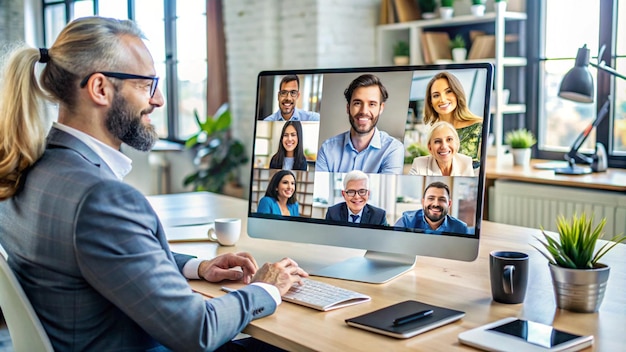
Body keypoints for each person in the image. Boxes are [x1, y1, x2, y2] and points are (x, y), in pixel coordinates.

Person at [0, 16, 309, 352]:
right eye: (147, 85)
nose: (159, 99)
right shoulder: (101, 198)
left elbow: (106, 254)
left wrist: (198, 267)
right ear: (100, 88)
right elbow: (198, 330)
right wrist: (267, 289)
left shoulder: (31, 167)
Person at [315, 74, 404, 173]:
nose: (364, 111)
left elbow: (386, 188)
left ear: (381, 108)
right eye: (357, 103)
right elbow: (321, 188)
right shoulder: (327, 149)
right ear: (348, 108)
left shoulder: (393, 149)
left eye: (372, 104)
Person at [423, 71, 483, 168]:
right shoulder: (430, 131)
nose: (442, 99)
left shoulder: (479, 126)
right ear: (430, 102)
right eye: (436, 95)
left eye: (449, 91)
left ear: (457, 94)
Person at [394, 181, 470, 234]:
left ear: (449, 204)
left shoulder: (461, 228)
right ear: (423, 202)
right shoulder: (406, 221)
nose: (436, 204)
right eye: (431, 198)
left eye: (442, 199)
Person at [409, 121, 474, 176]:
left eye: (449, 139)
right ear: (430, 147)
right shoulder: (418, 164)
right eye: (437, 141)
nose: (444, 146)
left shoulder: (466, 162)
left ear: (456, 143)